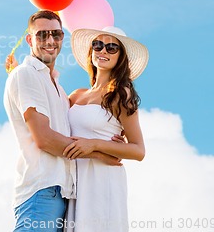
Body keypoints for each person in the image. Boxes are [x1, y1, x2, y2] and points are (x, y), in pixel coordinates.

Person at [3, 11, 122, 232]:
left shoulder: (56, 86)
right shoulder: (26, 74)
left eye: (56, 34)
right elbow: (45, 139)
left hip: (61, 193)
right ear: (29, 40)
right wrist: (98, 153)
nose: (50, 41)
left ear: (62, 38)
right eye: (41, 35)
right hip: (41, 191)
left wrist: (108, 136)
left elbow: (79, 121)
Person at [62, 28, 149, 232]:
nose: (103, 51)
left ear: (120, 57)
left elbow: (138, 150)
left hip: (103, 180)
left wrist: (94, 144)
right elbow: (49, 114)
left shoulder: (120, 95)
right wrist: (21, 74)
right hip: (75, 178)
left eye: (111, 47)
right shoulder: (76, 95)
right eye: (97, 45)